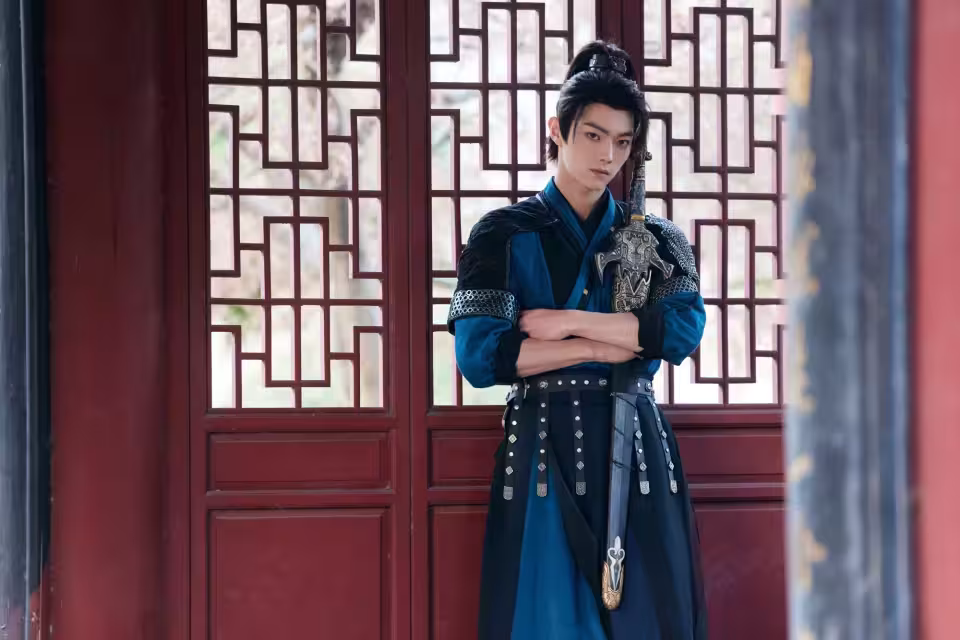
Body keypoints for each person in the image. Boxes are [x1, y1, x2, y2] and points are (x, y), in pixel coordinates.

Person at [446, 40, 709, 640]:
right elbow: (482, 357)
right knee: (548, 618)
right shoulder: (501, 235)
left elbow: (679, 333)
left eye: (622, 141)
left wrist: (564, 324)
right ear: (557, 131)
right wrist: (609, 345)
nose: (607, 156)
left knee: (646, 619)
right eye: (593, 135)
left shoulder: (661, 239)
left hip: (637, 446)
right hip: (543, 447)